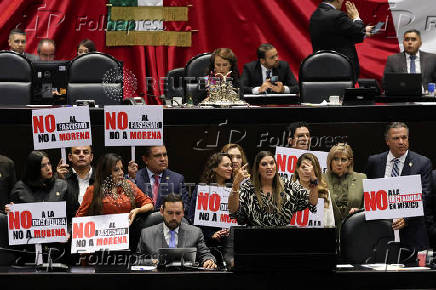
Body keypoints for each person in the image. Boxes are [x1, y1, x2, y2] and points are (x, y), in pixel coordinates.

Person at [366, 122, 432, 251]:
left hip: (412, 234)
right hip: (381, 234)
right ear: (387, 141)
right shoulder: (374, 162)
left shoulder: (422, 163)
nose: (401, 142)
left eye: (404, 137)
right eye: (396, 138)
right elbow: (369, 192)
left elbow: (425, 195)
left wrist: (406, 219)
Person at [75, 153, 154, 248]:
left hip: (127, 241)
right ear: (106, 172)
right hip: (101, 245)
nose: (121, 172)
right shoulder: (93, 191)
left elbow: (149, 203)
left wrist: (138, 210)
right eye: (116, 170)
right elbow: (80, 218)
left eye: (121, 169)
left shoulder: (128, 185)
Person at [228, 151, 318, 226]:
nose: (269, 167)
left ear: (276, 165)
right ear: (257, 168)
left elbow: (312, 203)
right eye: (264, 164)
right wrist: (235, 185)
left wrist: (314, 179)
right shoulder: (248, 187)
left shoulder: (288, 185)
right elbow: (234, 211)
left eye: (272, 163)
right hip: (254, 239)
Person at [137, 193, 217, 269]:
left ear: (183, 212)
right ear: (162, 211)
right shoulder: (146, 234)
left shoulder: (195, 233)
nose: (174, 218)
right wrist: (151, 262)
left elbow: (205, 254)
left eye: (178, 213)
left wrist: (208, 260)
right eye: (170, 213)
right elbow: (137, 259)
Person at [310, 0, 373, 80]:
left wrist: (362, 31)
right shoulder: (338, 15)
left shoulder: (315, 14)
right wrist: (356, 18)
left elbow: (336, 37)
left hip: (321, 67)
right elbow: (358, 31)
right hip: (342, 69)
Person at [7, 151, 78, 219]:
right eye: (42, 166)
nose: (48, 168)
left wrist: (69, 231)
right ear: (34, 168)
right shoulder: (20, 190)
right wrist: (11, 212)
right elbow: (15, 225)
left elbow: (76, 213)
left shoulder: (62, 186)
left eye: (49, 163)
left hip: (59, 230)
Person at [188, 153, 232, 248]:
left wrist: (230, 231)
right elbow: (192, 218)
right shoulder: (201, 189)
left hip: (231, 242)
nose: (230, 168)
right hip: (206, 243)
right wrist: (210, 234)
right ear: (214, 168)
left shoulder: (234, 190)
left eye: (231, 165)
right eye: (226, 165)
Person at [135, 145, 189, 214]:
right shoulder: (135, 179)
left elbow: (185, 206)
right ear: (145, 159)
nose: (163, 159)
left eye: (165, 155)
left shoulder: (177, 179)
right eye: (157, 156)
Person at [323, 144, 366, 230]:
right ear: (330, 160)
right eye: (335, 159)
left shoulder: (361, 178)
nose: (339, 163)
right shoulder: (321, 179)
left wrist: (359, 213)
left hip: (354, 232)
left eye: (343, 160)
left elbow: (368, 209)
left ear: (349, 162)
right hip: (327, 233)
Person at [293, 153, 335, 227]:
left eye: (311, 169)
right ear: (297, 169)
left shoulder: (324, 193)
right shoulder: (288, 191)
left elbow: (330, 224)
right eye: (303, 167)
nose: (307, 171)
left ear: (316, 171)